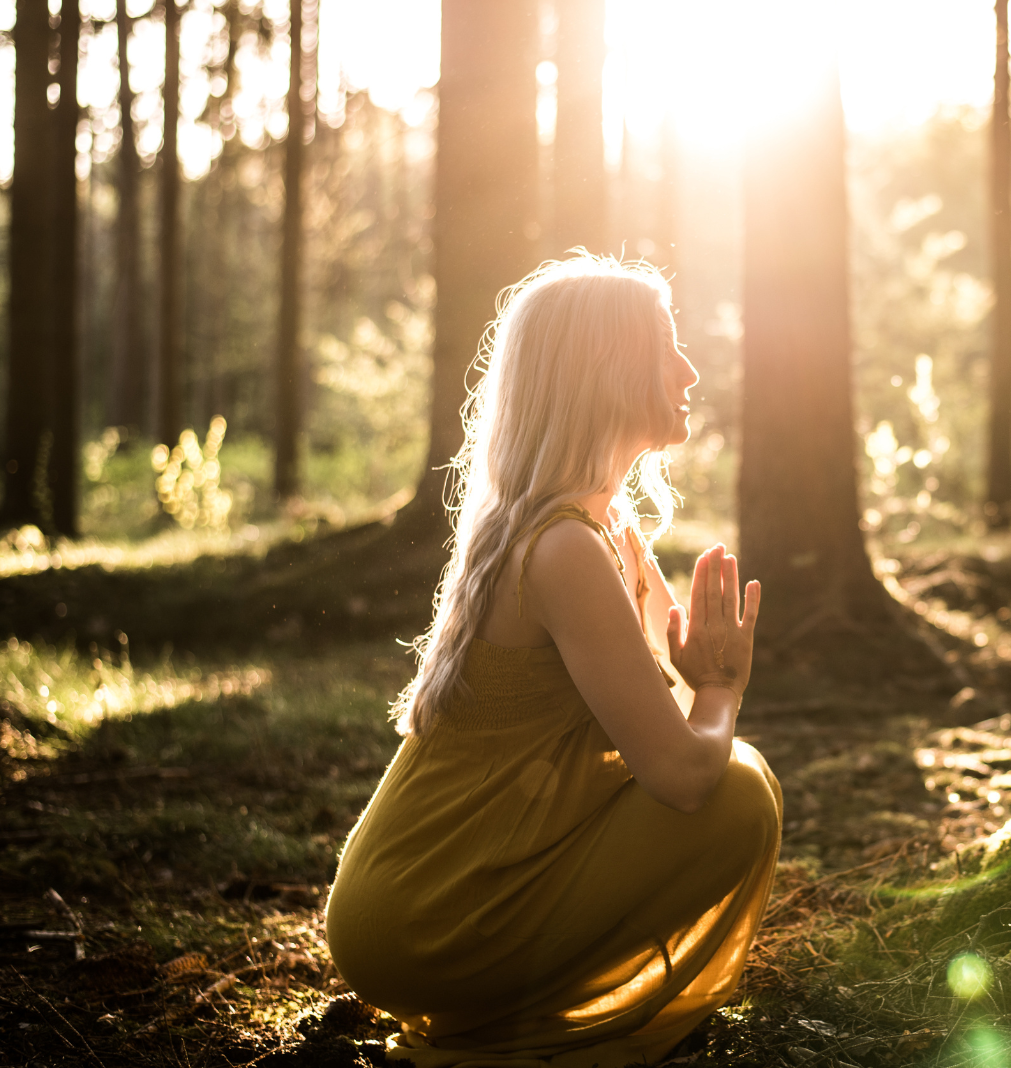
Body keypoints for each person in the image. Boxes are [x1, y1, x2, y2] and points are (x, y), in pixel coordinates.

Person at [326, 255, 780, 1067]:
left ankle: (490, 1019)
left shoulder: (598, 535)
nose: (689, 368)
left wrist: (687, 683)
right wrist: (717, 686)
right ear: (606, 370)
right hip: (420, 916)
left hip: (420, 900)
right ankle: (497, 1038)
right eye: (666, 344)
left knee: (740, 781)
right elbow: (684, 777)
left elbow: (639, 763)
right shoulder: (565, 546)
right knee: (739, 792)